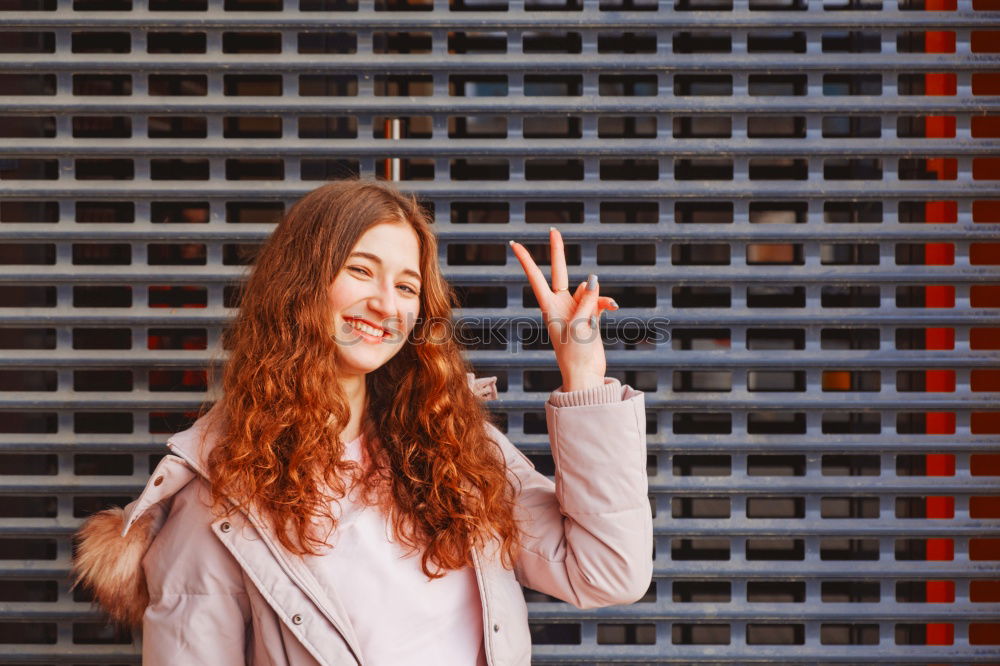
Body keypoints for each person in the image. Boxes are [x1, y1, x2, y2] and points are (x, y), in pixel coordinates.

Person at [72, 179, 652, 666]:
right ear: (300, 286)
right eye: (360, 271)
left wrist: (583, 375)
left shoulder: (458, 452)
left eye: (406, 286)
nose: (386, 303)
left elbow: (607, 572)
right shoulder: (220, 502)